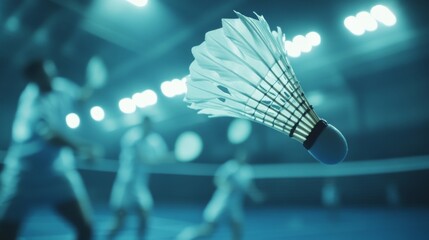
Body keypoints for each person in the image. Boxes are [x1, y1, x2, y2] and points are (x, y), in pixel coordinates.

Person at [0, 59, 96, 240]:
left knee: (86, 228)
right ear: (33, 79)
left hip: (57, 173)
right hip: (24, 177)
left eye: (51, 72)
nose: (51, 78)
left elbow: (80, 98)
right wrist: (84, 147)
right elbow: (50, 135)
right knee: (6, 234)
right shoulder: (31, 103)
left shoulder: (60, 86)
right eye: (45, 75)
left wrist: (92, 82)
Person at [108, 116, 173, 239]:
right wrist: (169, 158)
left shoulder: (155, 139)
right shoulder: (132, 137)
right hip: (126, 183)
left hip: (140, 185)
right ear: (142, 124)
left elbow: (162, 155)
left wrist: (168, 157)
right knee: (120, 222)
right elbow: (145, 159)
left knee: (145, 217)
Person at [177, 149, 264, 240]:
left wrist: (255, 195)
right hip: (222, 203)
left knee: (237, 229)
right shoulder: (229, 166)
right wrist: (226, 186)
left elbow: (249, 187)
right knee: (208, 230)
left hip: (234, 205)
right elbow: (218, 179)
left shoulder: (247, 171)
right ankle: (187, 235)